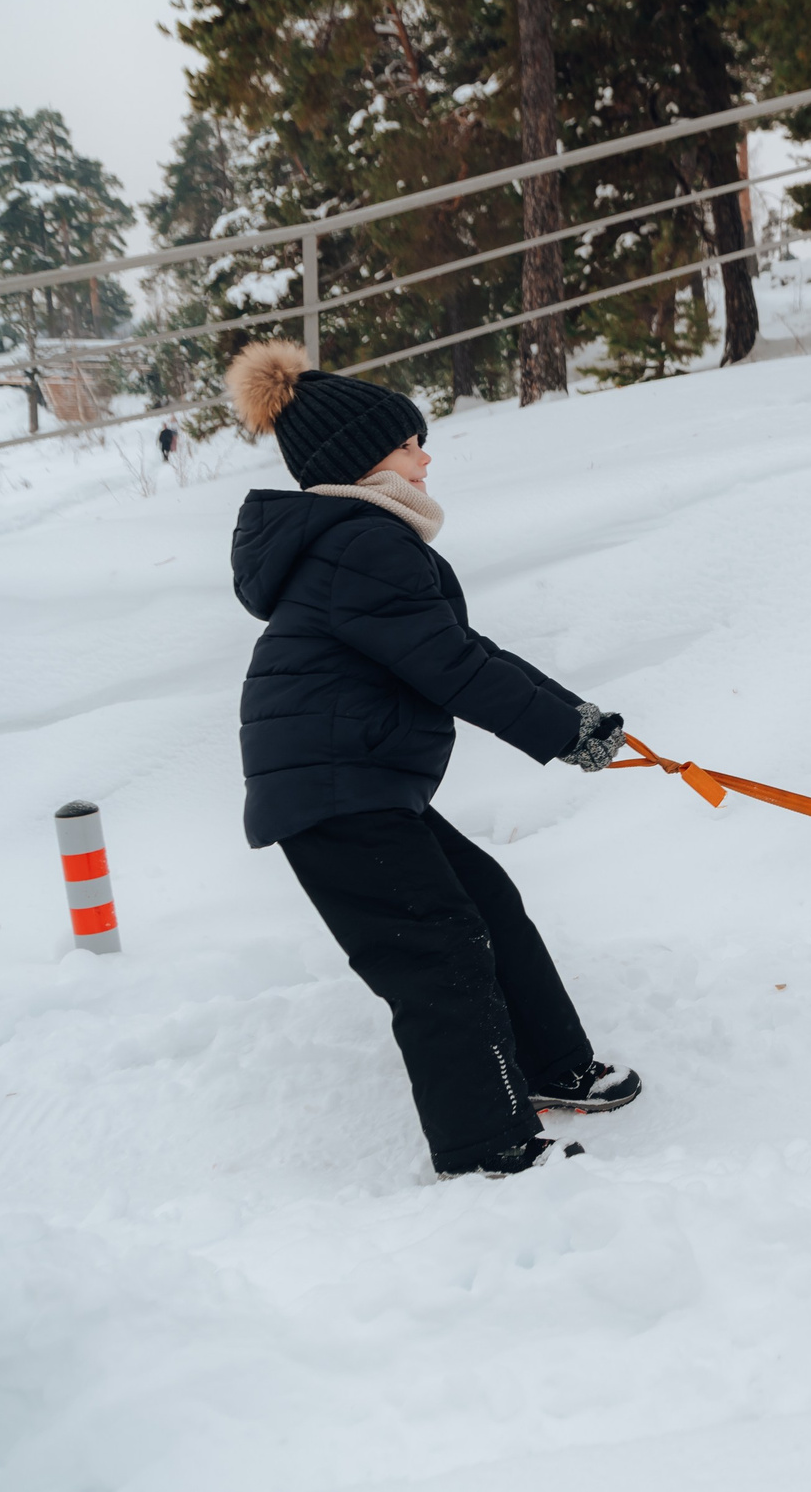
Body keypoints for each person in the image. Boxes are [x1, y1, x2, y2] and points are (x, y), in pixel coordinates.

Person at [227, 340, 641, 1177]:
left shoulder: (357, 541)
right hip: (335, 791)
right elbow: (453, 667)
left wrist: (577, 719)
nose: (425, 457)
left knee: (486, 902)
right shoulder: (361, 544)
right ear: (364, 461)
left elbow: (461, 649)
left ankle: (551, 1064)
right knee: (439, 951)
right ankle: (487, 1143)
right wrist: (566, 734)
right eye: (410, 442)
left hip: (356, 783)